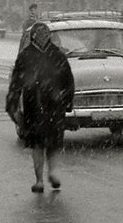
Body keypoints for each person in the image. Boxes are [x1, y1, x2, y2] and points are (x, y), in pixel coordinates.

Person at [5, 22, 75, 193]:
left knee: (54, 143)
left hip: (55, 106)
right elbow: (16, 82)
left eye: (46, 34)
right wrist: (12, 103)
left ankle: (53, 173)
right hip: (33, 106)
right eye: (40, 34)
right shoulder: (25, 56)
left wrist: (66, 101)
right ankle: (39, 181)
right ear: (34, 36)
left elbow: (68, 81)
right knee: (37, 144)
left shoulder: (58, 56)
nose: (43, 37)